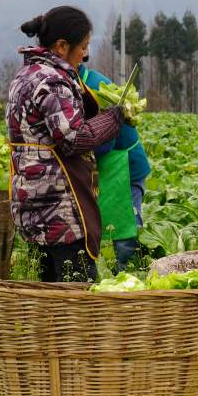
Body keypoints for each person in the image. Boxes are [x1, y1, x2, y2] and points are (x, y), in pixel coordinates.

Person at [6, 6, 125, 282]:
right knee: (78, 295)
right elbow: (74, 139)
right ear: (61, 46)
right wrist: (115, 118)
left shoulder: (26, 75)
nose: (86, 54)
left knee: (49, 296)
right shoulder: (52, 81)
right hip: (58, 207)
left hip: (32, 201)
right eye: (83, 47)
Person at [78, 62, 151, 272]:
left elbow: (103, 138)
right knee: (107, 221)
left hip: (124, 166)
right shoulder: (78, 82)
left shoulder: (94, 85)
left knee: (125, 226)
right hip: (108, 166)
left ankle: (130, 275)